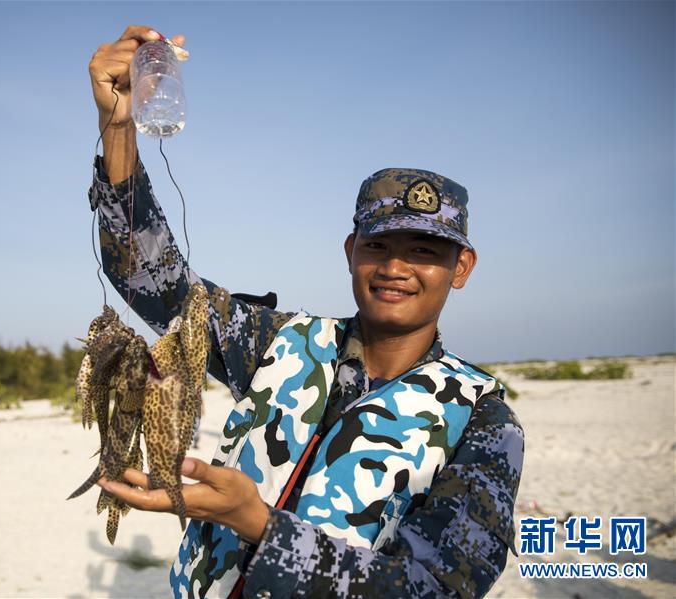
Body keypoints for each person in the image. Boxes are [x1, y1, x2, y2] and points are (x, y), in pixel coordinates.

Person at [86, 25, 524, 599]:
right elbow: (156, 283)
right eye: (378, 246)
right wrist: (119, 127)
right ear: (350, 252)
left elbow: (438, 585)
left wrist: (259, 526)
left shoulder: (483, 421)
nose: (396, 267)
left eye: (424, 252)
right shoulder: (280, 341)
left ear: (461, 268)